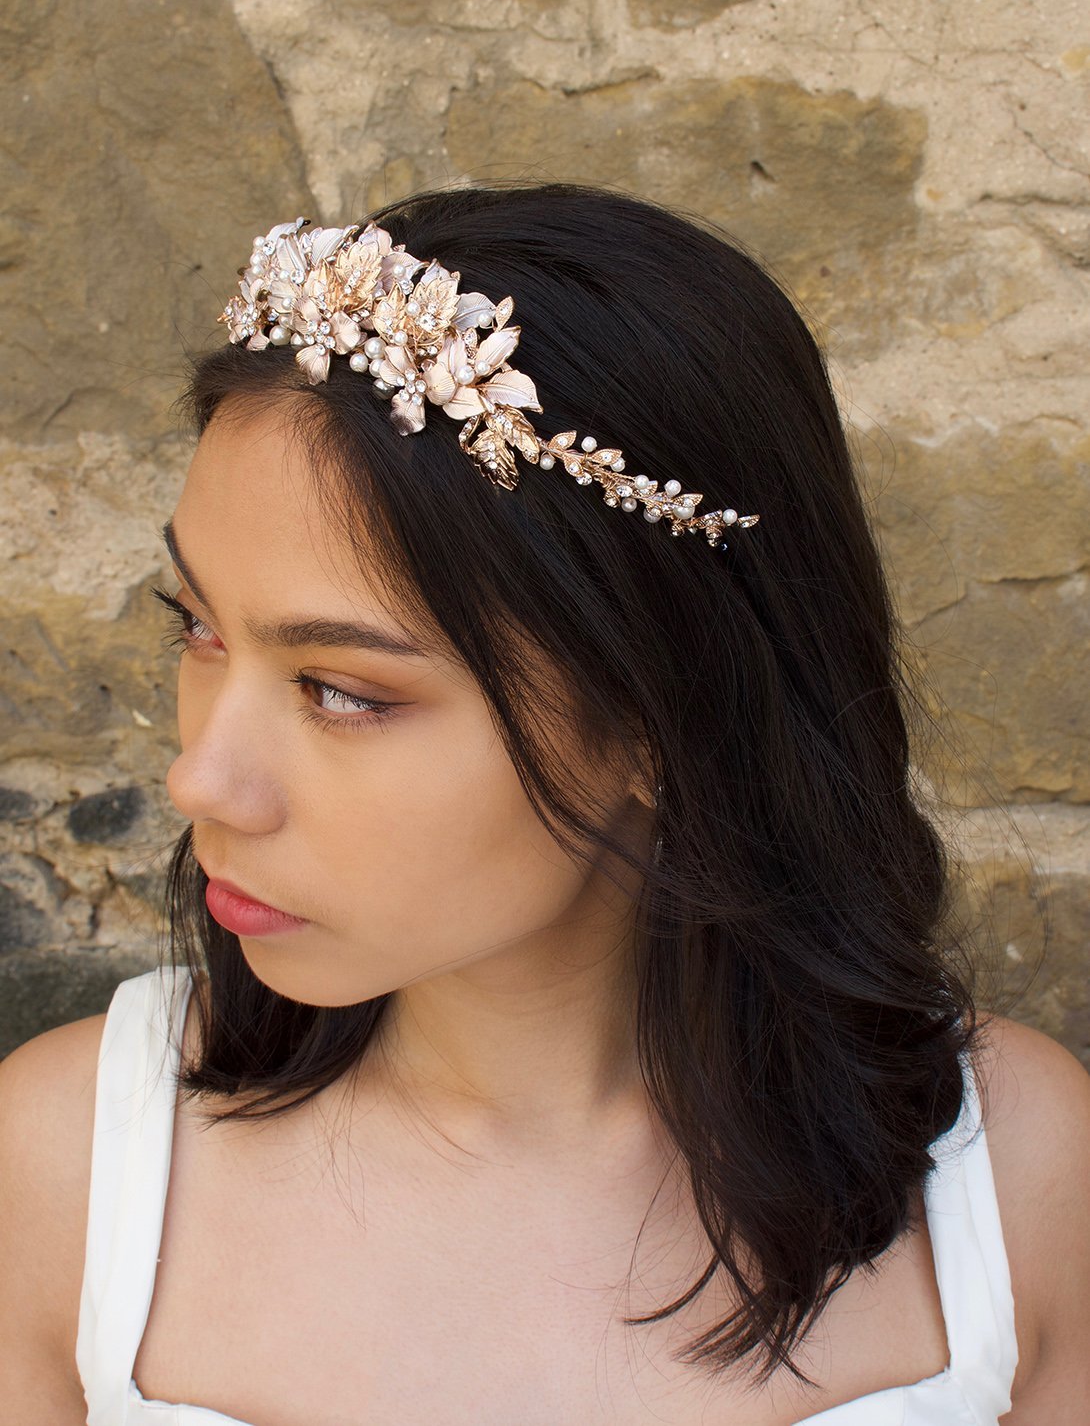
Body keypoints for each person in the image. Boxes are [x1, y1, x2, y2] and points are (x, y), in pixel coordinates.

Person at [1, 182, 1088, 1424]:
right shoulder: (62, 1175)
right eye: (196, 627)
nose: (199, 776)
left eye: (344, 691)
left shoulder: (1014, 1179)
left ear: (659, 718)